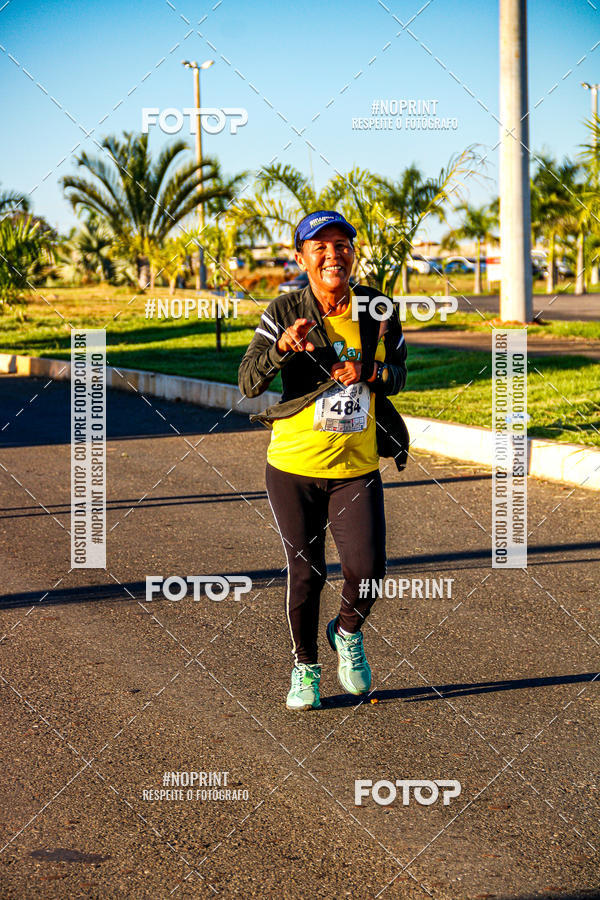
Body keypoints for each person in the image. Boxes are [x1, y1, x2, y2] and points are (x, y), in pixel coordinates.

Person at [238, 210, 408, 710]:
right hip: (292, 465)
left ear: (353, 253)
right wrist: (281, 350)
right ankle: (305, 668)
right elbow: (249, 382)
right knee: (307, 571)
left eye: (342, 245)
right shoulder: (284, 309)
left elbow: (400, 374)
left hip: (355, 466)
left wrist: (371, 371)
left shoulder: (377, 308)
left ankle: (348, 632)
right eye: (321, 247)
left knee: (368, 567)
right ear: (302, 257)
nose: (333, 255)